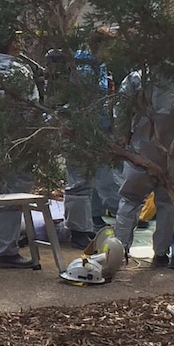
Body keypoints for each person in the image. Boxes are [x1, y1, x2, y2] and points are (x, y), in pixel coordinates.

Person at [113, 65, 174, 266]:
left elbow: (121, 109)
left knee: (130, 200)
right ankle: (160, 254)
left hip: (141, 148)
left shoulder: (136, 78)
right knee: (169, 203)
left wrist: (123, 134)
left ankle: (119, 252)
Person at [0, 33, 38, 269]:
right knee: (12, 194)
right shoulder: (18, 70)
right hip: (13, 139)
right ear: (12, 42)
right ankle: (6, 250)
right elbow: (28, 108)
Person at [63, 28, 123, 248]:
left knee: (93, 181)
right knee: (79, 182)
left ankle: (89, 223)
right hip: (82, 131)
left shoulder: (99, 67)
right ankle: (78, 230)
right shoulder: (85, 69)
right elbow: (84, 104)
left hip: (98, 131)